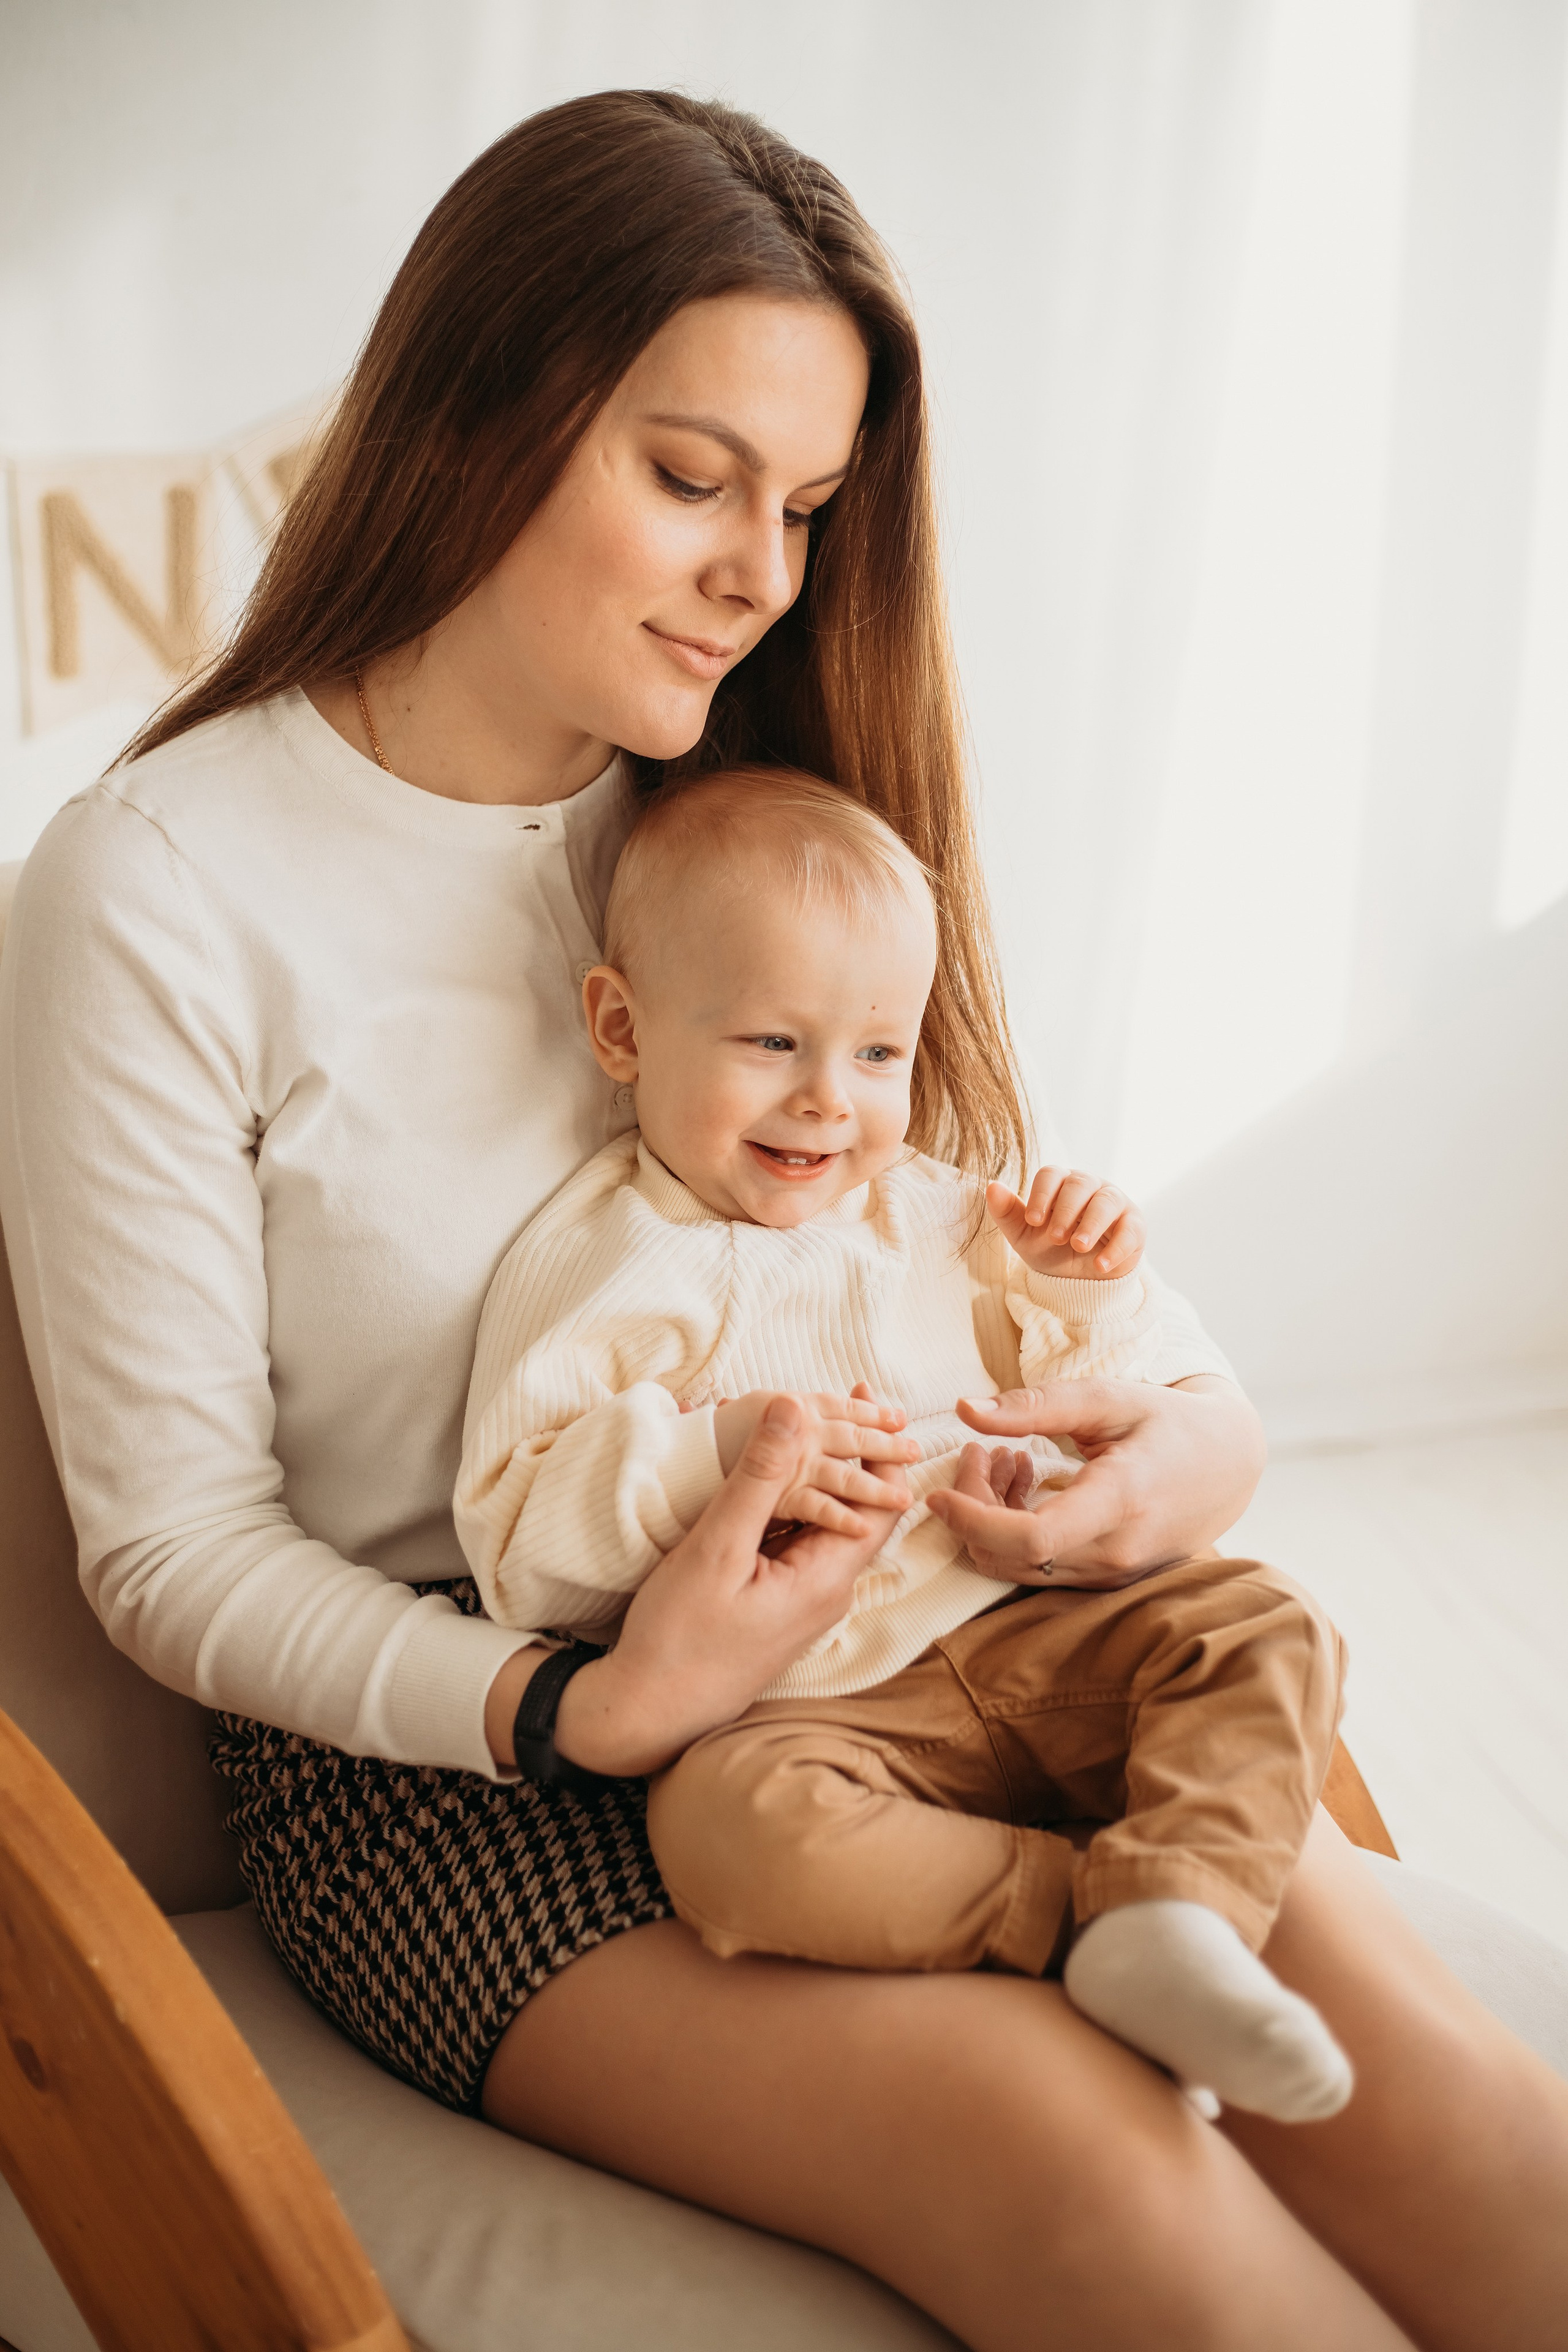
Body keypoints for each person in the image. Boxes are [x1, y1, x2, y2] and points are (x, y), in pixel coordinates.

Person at [1, 88, 1564, 2352]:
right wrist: (584, 1706)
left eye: (811, 504)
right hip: (464, 1772)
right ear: (477, 412)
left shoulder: (763, 810)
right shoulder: (160, 886)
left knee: (1428, 2078)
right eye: (691, 475)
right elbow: (168, 1549)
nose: (763, 572)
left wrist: (1162, 1459)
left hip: (920, 1637)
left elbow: (1014, 1271)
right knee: (1076, 2148)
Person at [455, 764, 1354, 2126]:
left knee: (1265, 1624)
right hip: (810, 1708)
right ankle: (1105, 1918)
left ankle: (1176, 1905)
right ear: (621, 1028)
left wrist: (1075, 1284)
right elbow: (519, 1550)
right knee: (728, 1846)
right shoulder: (598, 1262)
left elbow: (1104, 1394)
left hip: (1029, 1624)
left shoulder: (935, 1211)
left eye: (876, 1054)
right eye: (770, 1044)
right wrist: (710, 1454)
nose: (830, 1100)